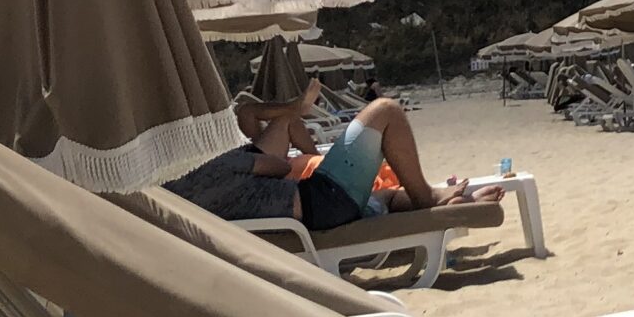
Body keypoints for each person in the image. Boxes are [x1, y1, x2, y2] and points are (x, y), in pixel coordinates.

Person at [168, 76, 499, 231]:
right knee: (385, 111)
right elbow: (278, 167)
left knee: (382, 198)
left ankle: (452, 200)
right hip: (322, 203)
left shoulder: (174, 186)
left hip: (316, 211)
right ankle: (428, 199)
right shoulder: (217, 162)